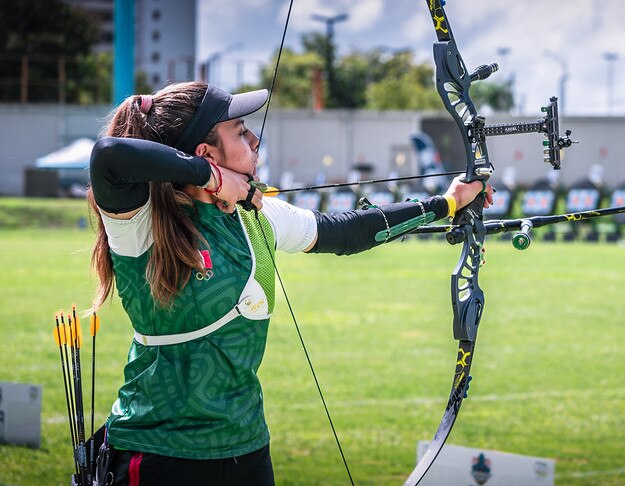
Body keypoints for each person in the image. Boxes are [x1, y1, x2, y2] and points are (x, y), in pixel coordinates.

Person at [87, 81, 492, 485]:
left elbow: (347, 231)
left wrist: (447, 202)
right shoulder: (142, 227)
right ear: (204, 153)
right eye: (239, 131)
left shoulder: (254, 216)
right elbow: (109, 157)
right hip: (161, 456)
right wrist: (211, 178)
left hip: (246, 448)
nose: (254, 138)